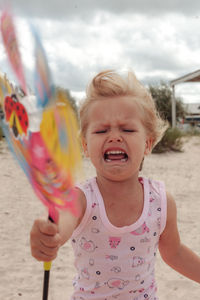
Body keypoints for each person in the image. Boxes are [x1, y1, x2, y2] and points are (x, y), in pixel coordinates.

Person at [30, 70, 200, 300]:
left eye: (127, 129)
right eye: (101, 130)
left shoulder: (161, 201)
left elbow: (175, 252)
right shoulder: (81, 198)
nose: (114, 137)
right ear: (86, 147)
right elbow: (62, 220)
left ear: (148, 144)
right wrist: (49, 235)